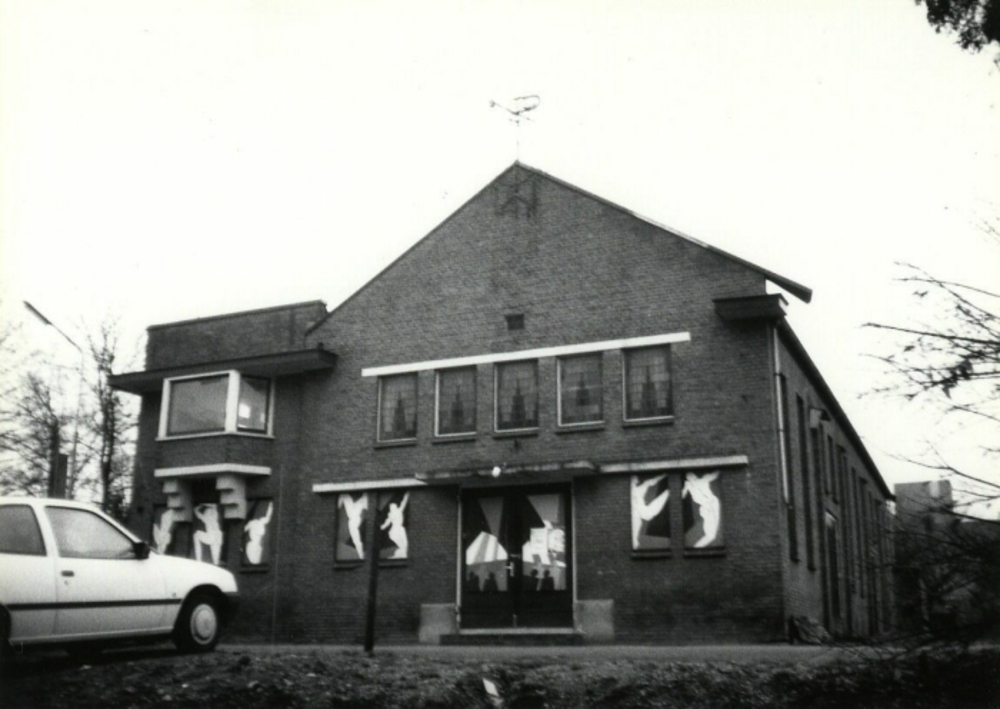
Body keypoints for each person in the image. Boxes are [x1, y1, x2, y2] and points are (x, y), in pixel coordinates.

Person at [631, 474, 670, 548]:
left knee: (646, 515)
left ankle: (634, 543)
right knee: (645, 515)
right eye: (634, 478)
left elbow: (651, 482)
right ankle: (634, 543)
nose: (636, 480)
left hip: (637, 512)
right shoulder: (634, 489)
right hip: (635, 512)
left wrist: (664, 474)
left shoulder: (639, 489)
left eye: (636, 478)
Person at [683, 472, 721, 547]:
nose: (691, 476)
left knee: (711, 536)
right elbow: (681, 496)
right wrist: (685, 487)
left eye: (692, 474)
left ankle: (696, 549)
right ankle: (695, 549)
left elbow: (716, 474)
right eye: (688, 476)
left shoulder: (703, 480)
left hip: (712, 504)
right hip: (706, 507)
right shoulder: (689, 486)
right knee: (710, 536)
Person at [379, 492, 409, 558]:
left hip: (399, 529)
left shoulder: (398, 511)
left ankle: (403, 553)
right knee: (404, 545)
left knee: (405, 544)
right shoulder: (392, 514)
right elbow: (387, 522)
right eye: (391, 508)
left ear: (395, 507)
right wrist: (382, 526)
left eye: (393, 507)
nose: (392, 508)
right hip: (395, 531)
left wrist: (406, 496)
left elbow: (403, 503)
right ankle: (403, 553)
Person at [339, 493, 368, 559]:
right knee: (345, 496)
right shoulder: (362, 501)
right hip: (355, 516)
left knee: (345, 496)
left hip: (354, 518)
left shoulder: (363, 501)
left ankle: (361, 554)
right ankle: (361, 554)